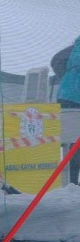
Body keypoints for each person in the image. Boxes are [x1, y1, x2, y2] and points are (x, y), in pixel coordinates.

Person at [52, 36, 80, 183]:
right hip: (76, 101)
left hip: (65, 97)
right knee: (75, 142)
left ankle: (71, 182)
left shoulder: (74, 48)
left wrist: (67, 78)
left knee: (71, 141)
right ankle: (73, 183)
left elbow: (55, 60)